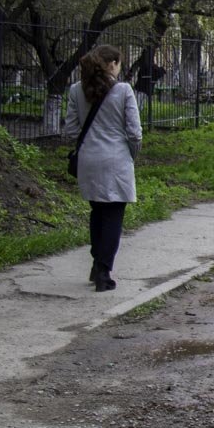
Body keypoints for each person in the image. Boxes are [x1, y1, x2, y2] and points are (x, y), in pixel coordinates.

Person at [62, 45, 142, 292]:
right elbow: (135, 133)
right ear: (112, 64)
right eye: (119, 64)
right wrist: (131, 155)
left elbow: (71, 130)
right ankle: (103, 271)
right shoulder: (124, 90)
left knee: (97, 212)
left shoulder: (76, 90)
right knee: (113, 216)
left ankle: (96, 263)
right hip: (116, 160)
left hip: (88, 160)